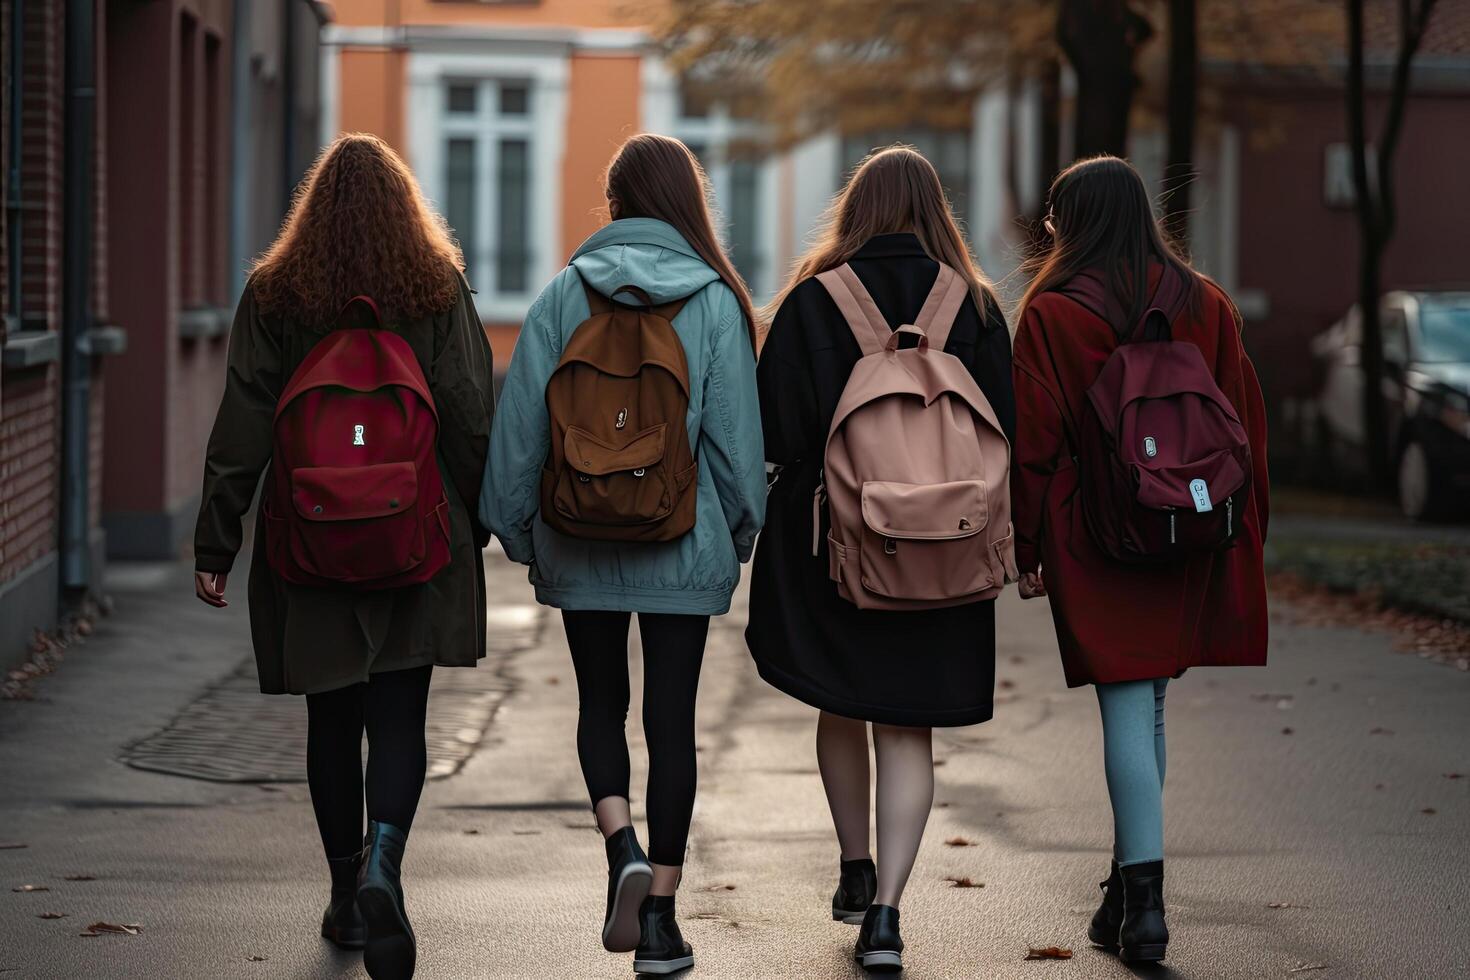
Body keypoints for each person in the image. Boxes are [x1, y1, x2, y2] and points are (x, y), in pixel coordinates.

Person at [192, 133, 494, 980]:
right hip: (414, 537)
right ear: (407, 208)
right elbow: (470, 409)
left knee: (333, 718)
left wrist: (217, 538)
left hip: (309, 538)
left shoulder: (276, 293)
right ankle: (384, 867)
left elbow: (244, 422)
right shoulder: (435, 287)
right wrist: (481, 520)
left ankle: (341, 893)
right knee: (400, 713)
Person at [480, 133, 765, 976]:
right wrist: (734, 536)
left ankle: (621, 849)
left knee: (599, 706)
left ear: (613, 203)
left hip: (579, 534)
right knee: (670, 723)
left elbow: (519, 434)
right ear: (688, 203)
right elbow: (737, 449)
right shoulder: (715, 302)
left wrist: (524, 535)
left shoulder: (564, 293)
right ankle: (664, 925)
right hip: (683, 542)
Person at [746, 145, 1016, 972]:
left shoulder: (810, 305)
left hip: (836, 548)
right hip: (947, 560)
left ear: (853, 210)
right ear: (939, 211)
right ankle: (889, 915)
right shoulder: (974, 307)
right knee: (909, 728)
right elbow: (1010, 427)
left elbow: (779, 432)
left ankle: (854, 864)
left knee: (842, 700)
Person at [1010, 154, 1269, 963]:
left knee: (1128, 705)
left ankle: (1146, 909)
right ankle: (1125, 892)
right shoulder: (1206, 303)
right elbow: (1245, 423)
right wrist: (1244, 525)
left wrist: (1028, 545)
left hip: (1096, 531)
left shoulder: (1053, 313)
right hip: (1187, 525)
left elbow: (1034, 442)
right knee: (1149, 704)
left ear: (1070, 224)